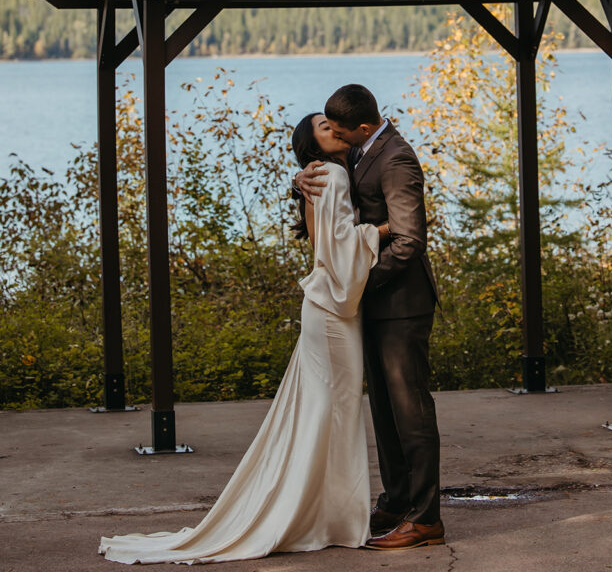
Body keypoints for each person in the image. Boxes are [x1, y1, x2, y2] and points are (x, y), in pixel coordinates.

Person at [99, 113, 387, 565]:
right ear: (312, 148)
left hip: (322, 309)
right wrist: (384, 231)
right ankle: (329, 519)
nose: (335, 130)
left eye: (334, 124)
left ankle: (325, 516)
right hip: (332, 311)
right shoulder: (329, 174)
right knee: (334, 412)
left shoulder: (321, 175)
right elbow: (338, 247)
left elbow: (321, 243)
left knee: (322, 413)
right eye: (325, 129)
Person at [294, 84, 443, 551]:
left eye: (337, 129)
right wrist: (299, 181)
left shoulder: (396, 158)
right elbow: (339, 207)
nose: (332, 133)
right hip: (370, 307)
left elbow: (408, 240)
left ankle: (426, 519)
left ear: (361, 127)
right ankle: (397, 501)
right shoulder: (358, 152)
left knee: (410, 412)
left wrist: (356, 280)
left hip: (401, 304)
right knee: (384, 412)